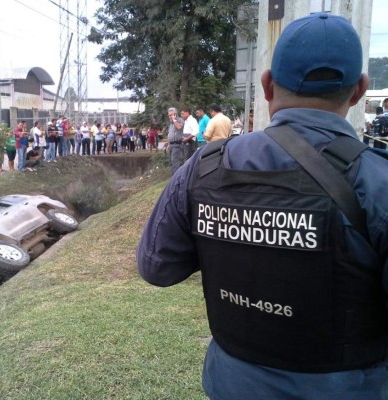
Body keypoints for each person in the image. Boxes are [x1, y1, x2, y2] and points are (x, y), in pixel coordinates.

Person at [137, 13, 388, 400]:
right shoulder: (377, 181)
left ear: (267, 85)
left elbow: (157, 268)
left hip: (232, 384)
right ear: (359, 90)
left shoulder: (203, 167)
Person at [164, 107, 185, 175]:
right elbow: (170, 134)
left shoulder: (180, 120)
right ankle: (174, 179)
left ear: (175, 114)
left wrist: (174, 120)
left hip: (178, 145)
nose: (170, 117)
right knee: (172, 163)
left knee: (176, 163)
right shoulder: (171, 123)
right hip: (172, 145)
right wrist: (168, 145)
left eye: (172, 115)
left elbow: (179, 127)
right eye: (169, 115)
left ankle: (176, 180)